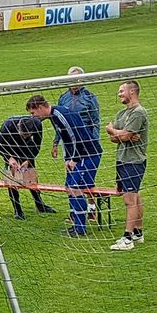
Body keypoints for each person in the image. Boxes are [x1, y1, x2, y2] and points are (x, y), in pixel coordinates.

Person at [52, 68, 104, 238]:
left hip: (86, 145)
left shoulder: (90, 98)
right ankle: (74, 213)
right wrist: (55, 142)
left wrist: (93, 143)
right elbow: (60, 125)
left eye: (77, 79)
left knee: (83, 181)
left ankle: (91, 209)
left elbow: (95, 122)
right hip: (69, 145)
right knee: (71, 179)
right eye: (71, 80)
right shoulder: (63, 97)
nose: (74, 83)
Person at [106, 80, 150, 251]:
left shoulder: (138, 113)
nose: (119, 94)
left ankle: (127, 238)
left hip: (134, 161)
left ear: (132, 91)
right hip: (122, 159)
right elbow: (114, 138)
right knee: (135, 196)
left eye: (121, 91)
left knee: (129, 199)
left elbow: (121, 136)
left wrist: (114, 131)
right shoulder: (122, 113)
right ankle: (138, 233)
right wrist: (121, 134)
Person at [0, 96, 56, 218]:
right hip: (10, 149)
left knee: (31, 176)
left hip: (27, 150)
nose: (25, 137)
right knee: (13, 179)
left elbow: (37, 145)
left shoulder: (37, 124)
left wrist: (28, 159)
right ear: (18, 128)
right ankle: (17, 209)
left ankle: (39, 205)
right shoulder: (7, 125)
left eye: (28, 135)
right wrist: (9, 158)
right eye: (23, 135)